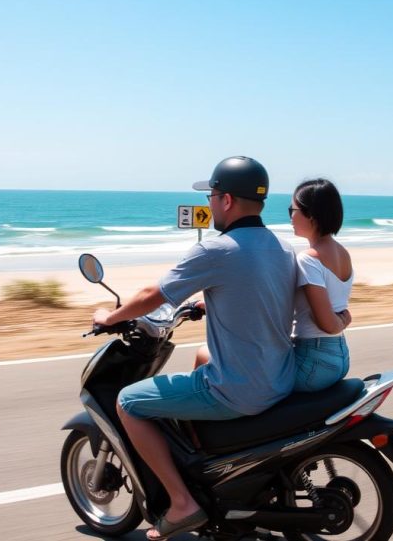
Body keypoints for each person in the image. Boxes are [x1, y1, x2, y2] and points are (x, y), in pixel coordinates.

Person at [93, 156, 296, 541]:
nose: (209, 204)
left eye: (212, 195)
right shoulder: (282, 248)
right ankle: (211, 463)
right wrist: (207, 303)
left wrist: (112, 317)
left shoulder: (216, 251)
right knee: (203, 355)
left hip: (240, 389)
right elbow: (256, 292)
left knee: (128, 403)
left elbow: (153, 295)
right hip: (278, 377)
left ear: (228, 201)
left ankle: (182, 502)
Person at [288, 178, 353, 391]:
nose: (290, 216)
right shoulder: (343, 253)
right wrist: (344, 317)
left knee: (253, 387)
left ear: (312, 216)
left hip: (313, 360)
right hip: (339, 355)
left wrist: (340, 321)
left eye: (293, 209)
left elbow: (327, 324)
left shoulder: (308, 259)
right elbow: (339, 312)